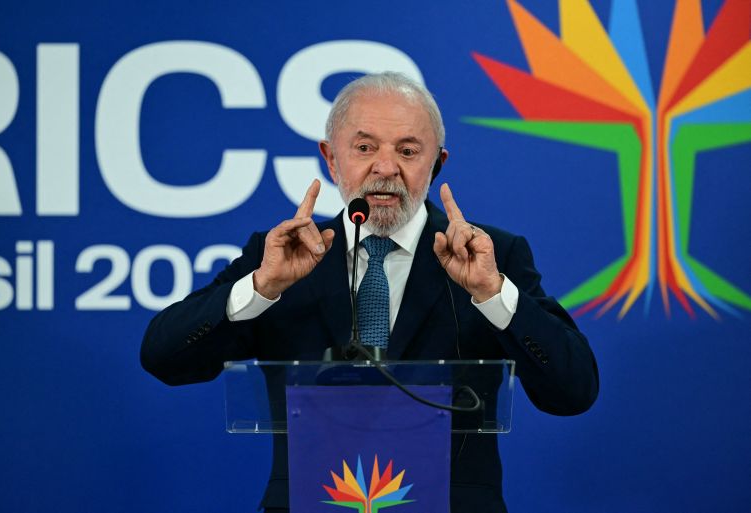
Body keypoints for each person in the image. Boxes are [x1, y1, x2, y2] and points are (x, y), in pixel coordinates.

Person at [141, 71, 599, 513]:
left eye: (408, 150)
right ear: (331, 158)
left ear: (437, 164)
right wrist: (261, 288)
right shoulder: (280, 255)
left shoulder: (488, 256)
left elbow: (573, 391)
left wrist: (494, 294)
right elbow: (164, 358)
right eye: (364, 147)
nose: (385, 167)